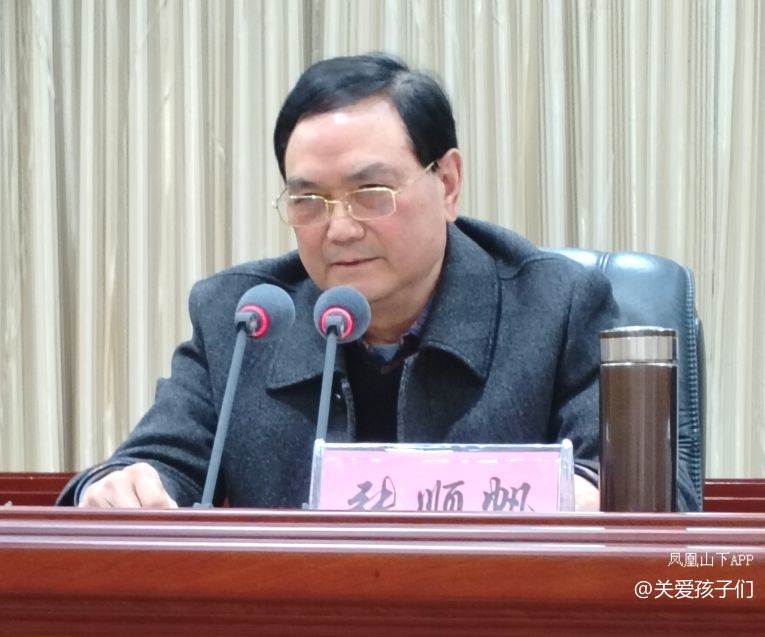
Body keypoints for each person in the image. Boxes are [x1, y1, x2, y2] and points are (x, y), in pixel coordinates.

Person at [58, 53, 691, 511]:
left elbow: (653, 498)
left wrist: (577, 498)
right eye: (308, 200)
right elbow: (160, 464)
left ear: (447, 183)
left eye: (371, 192)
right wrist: (120, 485)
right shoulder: (244, 319)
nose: (339, 229)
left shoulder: (557, 305)